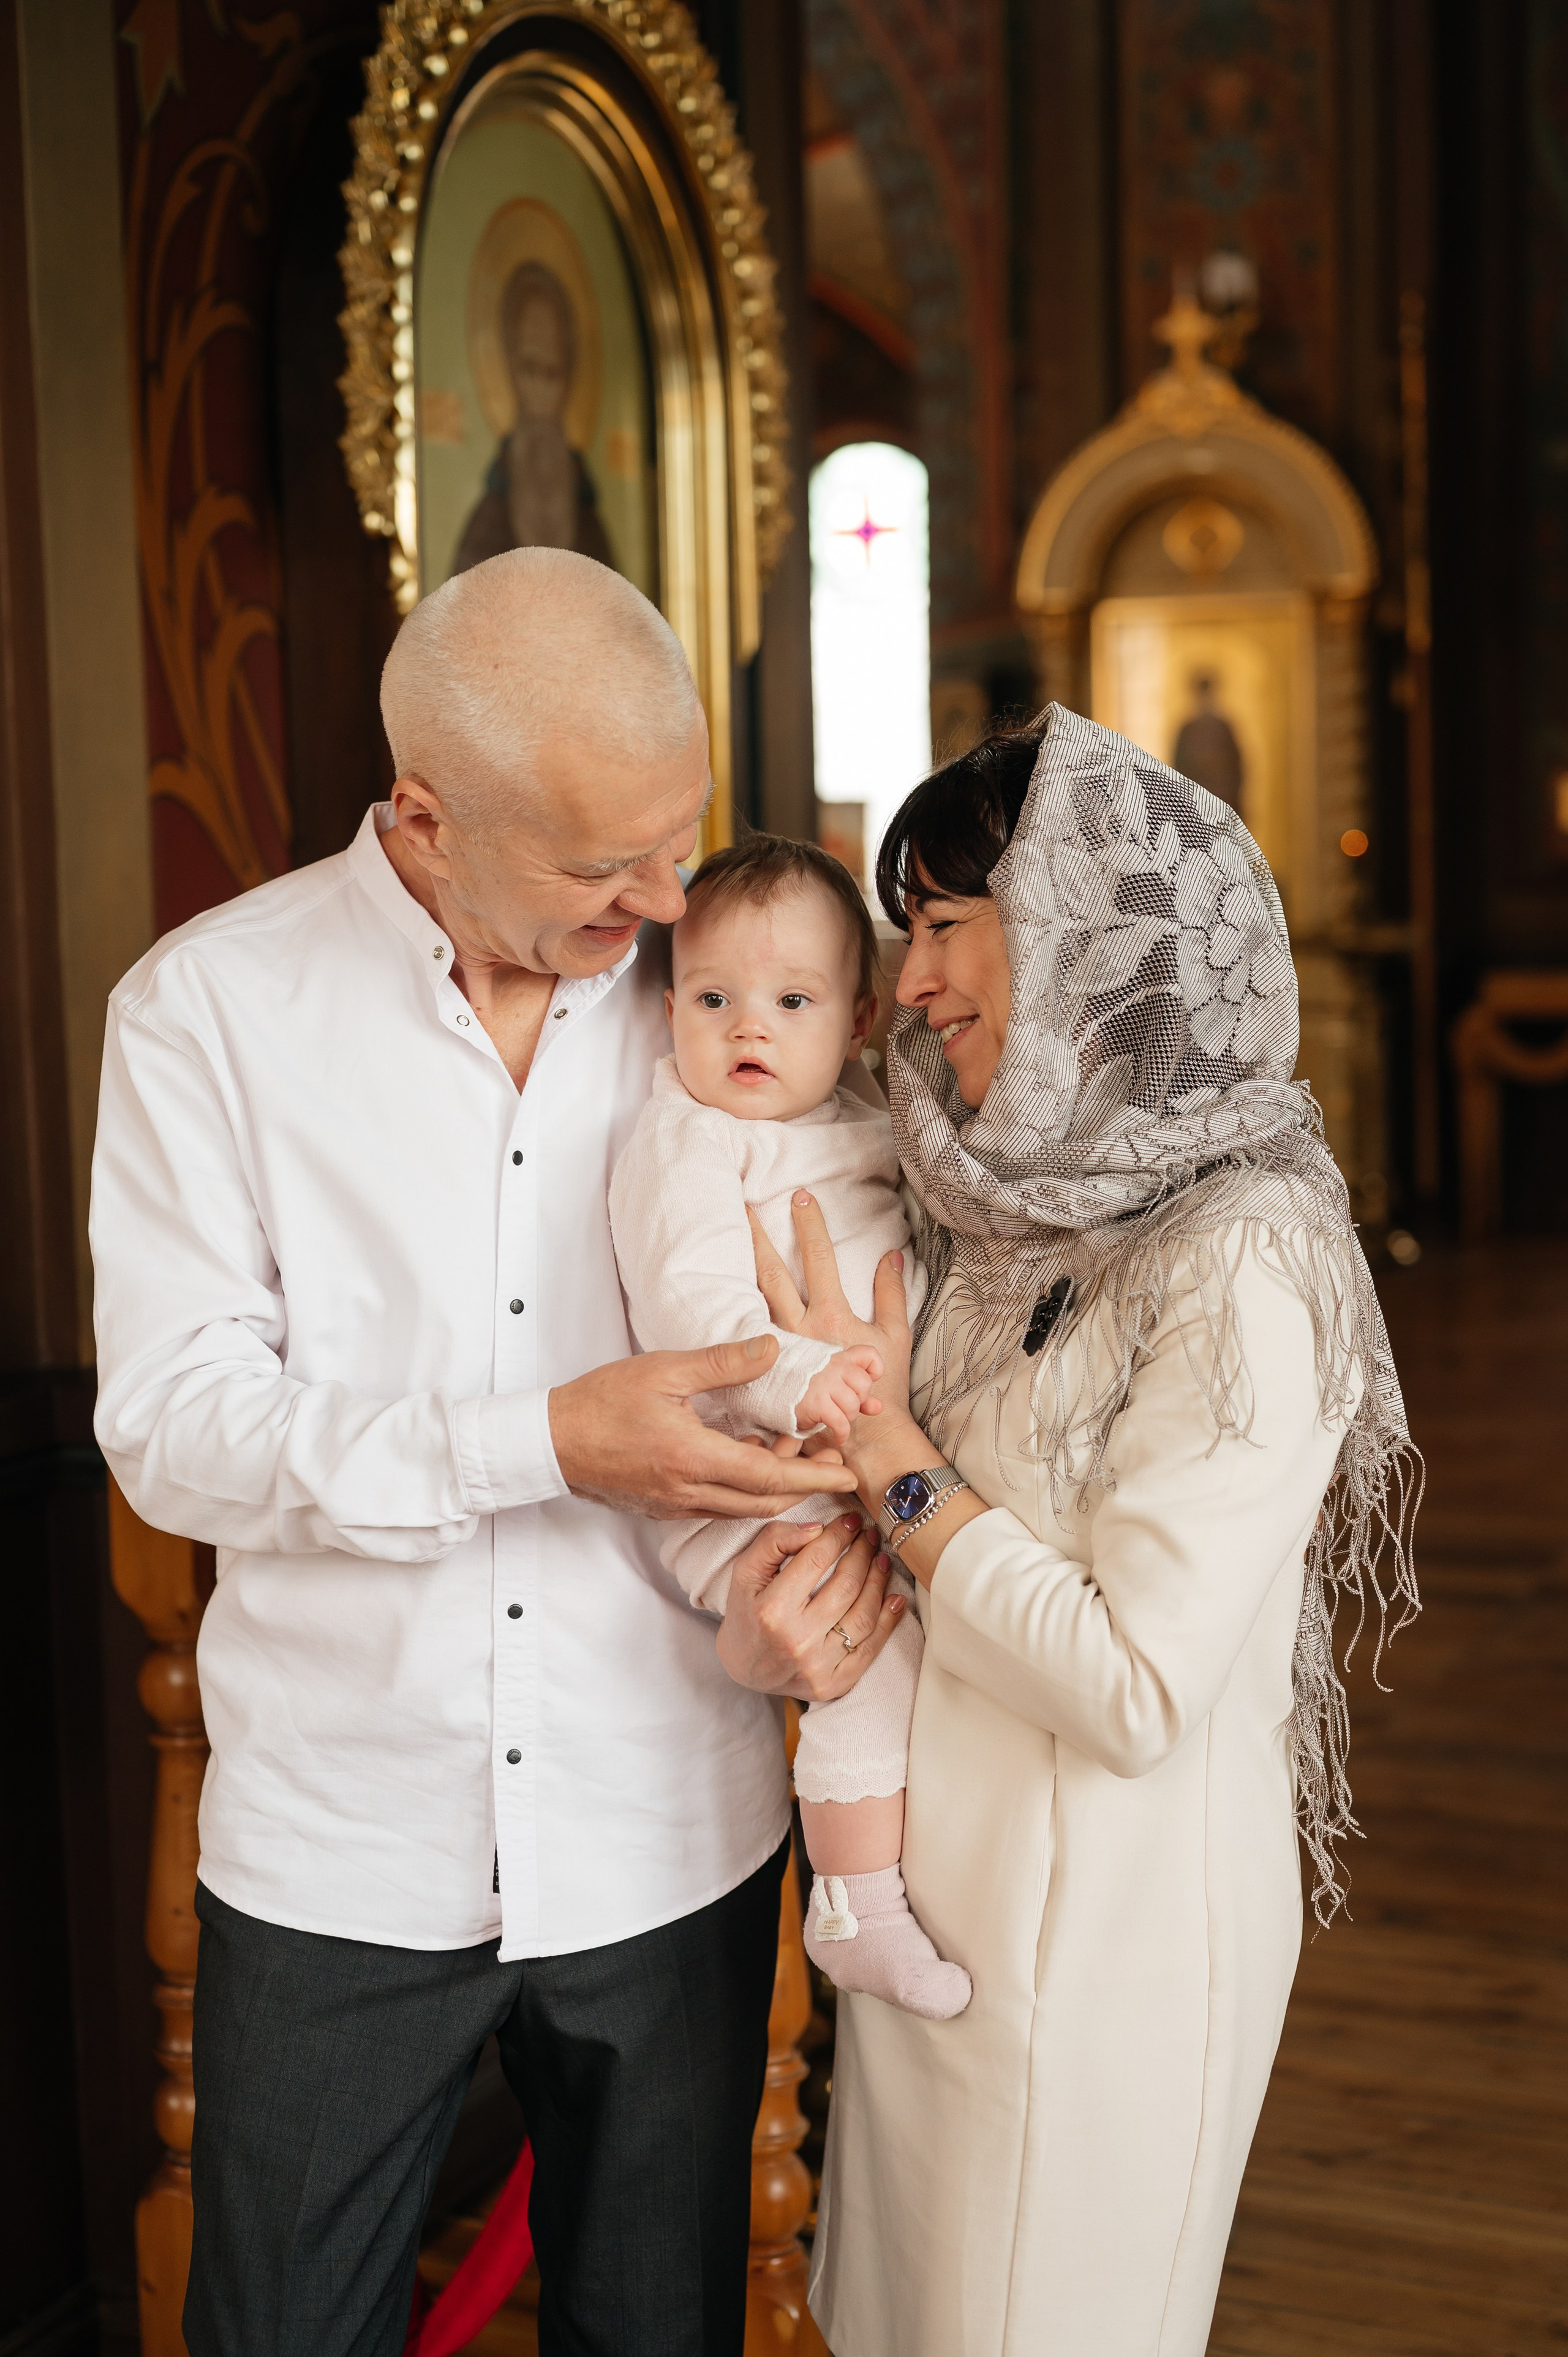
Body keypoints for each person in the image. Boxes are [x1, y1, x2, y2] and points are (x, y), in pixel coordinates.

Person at [89, 547, 904, 2357]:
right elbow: (173, 1427)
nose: (665, 896)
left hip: (670, 1820)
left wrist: (828, 1556)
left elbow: (867, 1293)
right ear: (426, 815)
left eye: (674, 836)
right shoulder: (208, 1016)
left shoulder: (732, 999)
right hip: (339, 1848)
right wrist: (540, 1439)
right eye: (603, 864)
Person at [745, 705, 1422, 2357]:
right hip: (941, 1926)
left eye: (949, 926)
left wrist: (894, 1467)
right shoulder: (995, 1200)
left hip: (1100, 1950)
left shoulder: (1246, 1250)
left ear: (1089, 933)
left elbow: (1133, 1683)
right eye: (908, 934)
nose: (910, 986)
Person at [609, 835, 971, 2020]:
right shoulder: (690, 1136)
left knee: (934, 1634)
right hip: (750, 1472)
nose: (747, 1030)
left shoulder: (866, 1111)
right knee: (868, 1645)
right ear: (670, 1008)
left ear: (861, 1018)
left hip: (865, 1446)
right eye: (713, 999)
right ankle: (857, 1904)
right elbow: (694, 1300)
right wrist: (803, 1378)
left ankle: (905, 1870)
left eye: (791, 1000)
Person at [454, 259, 614, 575]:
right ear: (510, 369)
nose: (542, 387)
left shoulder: (592, 530)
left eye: (553, 372)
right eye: (530, 368)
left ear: (571, 374)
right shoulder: (487, 525)